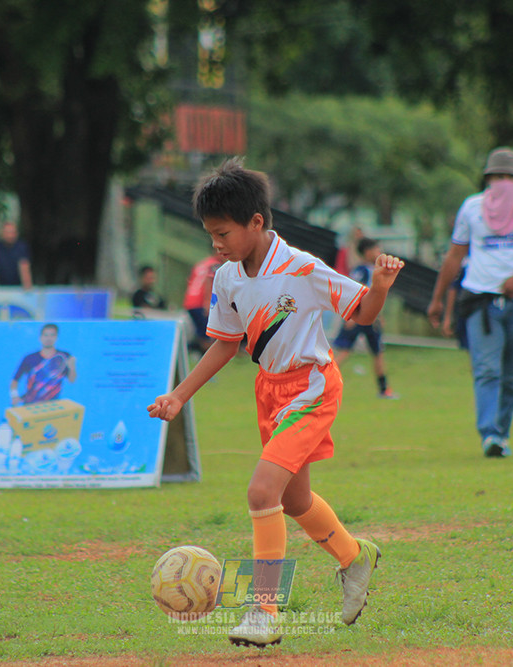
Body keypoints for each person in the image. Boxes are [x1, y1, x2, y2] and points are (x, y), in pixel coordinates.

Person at [148, 157, 404, 647]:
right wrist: (178, 395)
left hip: (311, 387)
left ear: (257, 222)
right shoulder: (227, 279)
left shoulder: (302, 269)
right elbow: (226, 343)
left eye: (223, 233)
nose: (217, 244)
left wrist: (381, 287)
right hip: (269, 391)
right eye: (211, 236)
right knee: (294, 500)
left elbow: (363, 313)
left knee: (261, 493)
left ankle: (263, 611)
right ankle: (355, 558)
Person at [427, 147, 513, 458]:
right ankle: (489, 435)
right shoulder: (472, 208)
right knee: (487, 370)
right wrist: (437, 300)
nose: (502, 182)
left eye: (509, 177)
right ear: (487, 179)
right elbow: (455, 256)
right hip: (479, 300)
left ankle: (502, 432)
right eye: (496, 176)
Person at [332, 237, 398, 399]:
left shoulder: (370, 269)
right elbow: (355, 292)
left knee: (378, 352)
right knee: (344, 351)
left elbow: (375, 296)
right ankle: (322, 382)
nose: (379, 253)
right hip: (357, 317)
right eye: (377, 250)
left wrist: (378, 315)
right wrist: (350, 317)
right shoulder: (363, 271)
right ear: (368, 252)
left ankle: (384, 389)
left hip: (371, 319)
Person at [10, 323, 77, 406]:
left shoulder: (64, 356)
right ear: (40, 337)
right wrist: (14, 396)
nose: (49, 338)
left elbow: (72, 380)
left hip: (53, 406)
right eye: (46, 335)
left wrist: (72, 368)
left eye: (52, 335)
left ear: (56, 337)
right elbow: (15, 381)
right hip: (30, 406)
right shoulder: (29, 358)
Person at [182, 250, 224, 352]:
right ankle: (209, 358)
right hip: (200, 302)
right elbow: (208, 283)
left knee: (202, 332)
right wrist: (208, 303)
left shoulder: (202, 264)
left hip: (190, 301)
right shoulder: (215, 265)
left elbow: (190, 280)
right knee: (208, 335)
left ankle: (201, 354)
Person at [0, 220, 32, 290]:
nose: (10, 236)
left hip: (19, 288)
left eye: (12, 233)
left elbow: (24, 269)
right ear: (2, 234)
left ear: (17, 234)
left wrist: (28, 290)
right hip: (2, 287)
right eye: (7, 233)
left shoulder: (22, 247)